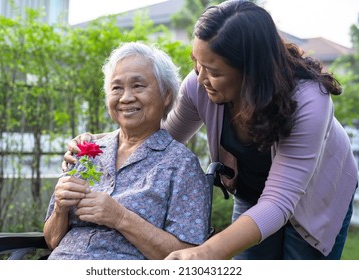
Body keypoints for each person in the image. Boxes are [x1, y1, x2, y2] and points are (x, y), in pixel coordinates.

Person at [63, 0, 358, 260]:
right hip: (253, 192)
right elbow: (160, 136)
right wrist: (96, 145)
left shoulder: (308, 101)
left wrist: (207, 251)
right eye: (196, 63)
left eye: (214, 71)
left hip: (316, 197)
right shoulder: (199, 85)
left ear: (250, 71)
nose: (200, 77)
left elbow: (280, 202)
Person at [44, 42, 211, 260]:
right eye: (116, 88)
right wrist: (60, 208)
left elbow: (186, 256)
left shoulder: (181, 165)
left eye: (138, 86)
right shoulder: (86, 151)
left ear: (166, 95)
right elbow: (51, 241)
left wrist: (120, 217)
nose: (125, 98)